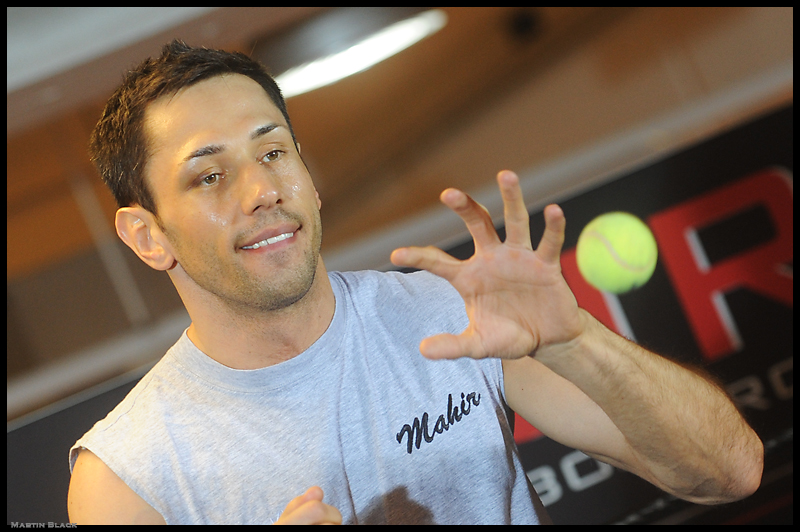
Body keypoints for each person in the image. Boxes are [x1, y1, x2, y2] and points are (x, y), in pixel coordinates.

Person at [67, 40, 763, 525]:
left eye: (273, 152)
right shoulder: (127, 474)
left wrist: (578, 342)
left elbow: (728, 472)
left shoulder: (444, 310)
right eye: (211, 175)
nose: (262, 192)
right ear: (147, 236)